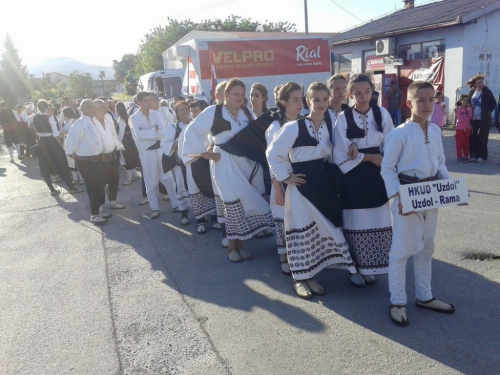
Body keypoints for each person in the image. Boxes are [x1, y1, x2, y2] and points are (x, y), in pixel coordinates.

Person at [267, 82, 357, 298]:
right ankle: (300, 279)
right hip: (301, 186)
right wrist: (286, 177)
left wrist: (352, 145)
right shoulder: (293, 127)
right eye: (316, 99)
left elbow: (335, 153)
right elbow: (273, 154)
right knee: (300, 230)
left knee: (324, 229)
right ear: (308, 102)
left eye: (325, 99)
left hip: (323, 185)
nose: (321, 103)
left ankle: (312, 274)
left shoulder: (329, 127)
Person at [381, 81, 459, 326]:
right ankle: (398, 301)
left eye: (431, 99)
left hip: (431, 192)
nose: (427, 105)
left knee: (427, 247)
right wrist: (399, 197)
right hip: (407, 193)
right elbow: (387, 169)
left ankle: (425, 296)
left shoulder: (435, 130)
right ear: (409, 103)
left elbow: (440, 163)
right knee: (401, 251)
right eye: (421, 100)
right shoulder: (399, 134)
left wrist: (453, 191)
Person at [183, 78, 274, 261]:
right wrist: (206, 153)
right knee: (232, 203)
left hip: (247, 165)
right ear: (226, 95)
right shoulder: (213, 111)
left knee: (246, 202)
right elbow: (192, 132)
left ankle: (241, 245)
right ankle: (232, 248)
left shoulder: (247, 112)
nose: (239, 98)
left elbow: (257, 136)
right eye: (235, 94)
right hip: (224, 163)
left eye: (242, 94)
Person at [333, 73, 394, 287]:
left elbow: (391, 143)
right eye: (357, 93)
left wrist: (384, 161)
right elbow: (340, 153)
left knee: (378, 217)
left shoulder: (381, 113)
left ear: (372, 90)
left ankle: (371, 267)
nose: (363, 96)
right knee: (355, 222)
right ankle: (354, 268)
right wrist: (369, 157)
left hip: (377, 173)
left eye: (366, 91)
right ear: (350, 94)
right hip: (354, 175)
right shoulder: (343, 117)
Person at [265, 82, 303, 275]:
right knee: (282, 217)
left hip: (299, 179)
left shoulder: (303, 122)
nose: (300, 103)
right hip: (281, 180)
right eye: (295, 100)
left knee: (297, 218)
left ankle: (300, 254)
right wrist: (279, 186)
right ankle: (283, 256)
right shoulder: (276, 126)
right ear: (283, 102)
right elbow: (271, 157)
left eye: (301, 99)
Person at [130, 91, 172, 219]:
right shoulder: (134, 118)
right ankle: (155, 208)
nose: (149, 103)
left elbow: (163, 131)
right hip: (146, 152)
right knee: (151, 182)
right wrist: (154, 130)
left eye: (150, 100)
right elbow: (139, 135)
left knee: (168, 178)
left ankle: (177, 204)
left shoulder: (155, 114)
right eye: (146, 101)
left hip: (159, 149)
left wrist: (149, 132)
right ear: (139, 103)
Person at [65, 100, 107, 224]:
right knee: (95, 186)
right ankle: (94, 215)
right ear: (87, 109)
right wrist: (75, 155)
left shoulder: (92, 121)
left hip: (96, 159)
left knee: (97, 185)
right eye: (94, 107)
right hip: (86, 161)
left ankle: (99, 210)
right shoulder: (79, 123)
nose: (96, 109)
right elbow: (70, 142)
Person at [31, 100, 82, 196]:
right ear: (46, 108)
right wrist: (61, 147)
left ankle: (52, 189)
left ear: (37, 107)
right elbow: (55, 134)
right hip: (51, 141)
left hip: (41, 142)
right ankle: (71, 188)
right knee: (61, 163)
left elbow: (29, 121)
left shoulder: (34, 117)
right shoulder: (49, 118)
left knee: (44, 164)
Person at [161, 100, 191, 225]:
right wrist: (178, 142)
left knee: (196, 187)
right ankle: (184, 213)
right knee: (181, 186)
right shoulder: (173, 127)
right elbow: (164, 145)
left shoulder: (194, 124)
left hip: (194, 163)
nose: (184, 112)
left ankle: (201, 214)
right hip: (180, 164)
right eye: (181, 110)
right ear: (177, 113)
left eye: (186, 109)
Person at [93, 99, 125, 215]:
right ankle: (100, 205)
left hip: (112, 153)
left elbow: (114, 133)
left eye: (105, 106)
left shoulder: (108, 117)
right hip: (98, 156)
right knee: (100, 181)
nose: (106, 108)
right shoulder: (91, 121)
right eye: (102, 107)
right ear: (95, 109)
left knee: (114, 177)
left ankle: (113, 201)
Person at [466, 74, 496, 162]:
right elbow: (467, 101)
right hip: (473, 118)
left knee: (482, 137)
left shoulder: (487, 91)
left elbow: (493, 103)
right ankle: (474, 155)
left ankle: (482, 156)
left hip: (484, 119)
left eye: (482, 82)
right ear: (475, 84)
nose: (480, 84)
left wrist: (489, 111)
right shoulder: (472, 92)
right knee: (473, 137)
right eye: (478, 83)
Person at [116, 102, 141, 185]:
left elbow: (121, 133)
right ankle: (135, 175)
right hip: (128, 142)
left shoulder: (123, 119)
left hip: (125, 142)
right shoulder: (125, 118)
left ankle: (129, 179)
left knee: (128, 160)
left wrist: (118, 143)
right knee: (130, 159)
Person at [60, 107, 84, 184]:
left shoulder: (75, 121)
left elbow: (76, 132)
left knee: (77, 161)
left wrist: (65, 132)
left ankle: (82, 178)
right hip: (66, 143)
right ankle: (75, 178)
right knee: (70, 162)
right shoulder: (64, 122)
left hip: (75, 144)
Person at [454, 94, 473, 163]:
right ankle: (459, 156)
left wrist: (470, 108)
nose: (466, 102)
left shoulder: (468, 109)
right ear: (461, 101)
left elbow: (470, 116)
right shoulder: (458, 109)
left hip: (467, 127)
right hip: (459, 127)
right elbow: (459, 119)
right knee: (459, 142)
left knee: (466, 142)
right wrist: (467, 119)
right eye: (464, 100)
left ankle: (466, 155)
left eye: (467, 100)